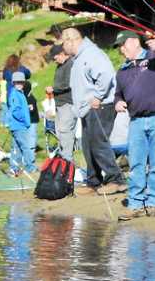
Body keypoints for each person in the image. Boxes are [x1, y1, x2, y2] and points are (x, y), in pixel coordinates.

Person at [114, 33, 155, 216]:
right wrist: (118, 102)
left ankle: (153, 202)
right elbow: (118, 94)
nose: (121, 49)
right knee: (136, 164)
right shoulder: (122, 71)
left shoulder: (154, 58)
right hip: (136, 121)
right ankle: (135, 204)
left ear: (134, 42)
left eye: (123, 45)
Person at [62, 27, 120, 190]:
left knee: (98, 143)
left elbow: (106, 74)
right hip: (87, 108)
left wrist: (98, 96)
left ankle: (115, 179)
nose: (63, 48)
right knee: (88, 146)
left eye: (63, 43)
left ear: (70, 40)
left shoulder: (91, 54)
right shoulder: (79, 58)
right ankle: (93, 181)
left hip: (100, 106)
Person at [3, 68, 37, 178]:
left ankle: (14, 168)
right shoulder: (14, 94)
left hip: (19, 125)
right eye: (17, 82)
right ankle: (30, 167)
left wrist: (25, 109)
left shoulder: (19, 93)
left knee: (16, 147)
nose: (19, 84)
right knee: (25, 146)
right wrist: (24, 119)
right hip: (19, 125)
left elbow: (19, 108)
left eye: (21, 82)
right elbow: (16, 110)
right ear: (13, 83)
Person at [50, 43, 77, 174]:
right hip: (59, 105)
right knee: (60, 133)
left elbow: (69, 84)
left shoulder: (70, 64)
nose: (54, 61)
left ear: (61, 54)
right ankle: (64, 163)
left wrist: (53, 89)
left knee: (66, 133)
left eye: (55, 58)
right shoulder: (59, 67)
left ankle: (68, 166)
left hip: (68, 103)